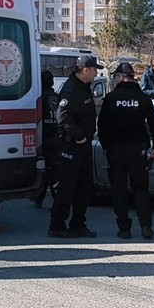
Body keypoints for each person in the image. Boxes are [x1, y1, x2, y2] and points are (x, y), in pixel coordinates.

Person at [98, 62, 154, 239]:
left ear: (120, 77)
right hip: (138, 150)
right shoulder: (143, 98)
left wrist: (105, 145)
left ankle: (124, 227)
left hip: (116, 150)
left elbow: (102, 125)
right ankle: (145, 225)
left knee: (119, 189)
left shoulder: (111, 98)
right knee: (141, 188)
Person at [49, 55, 100, 238]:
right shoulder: (71, 90)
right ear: (85, 70)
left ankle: (78, 224)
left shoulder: (83, 87)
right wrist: (78, 137)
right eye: (95, 69)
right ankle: (57, 226)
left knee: (84, 187)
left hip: (82, 146)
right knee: (67, 187)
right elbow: (63, 117)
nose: (97, 73)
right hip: (71, 146)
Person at [32, 70, 60, 208]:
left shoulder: (39, 98)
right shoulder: (57, 97)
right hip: (58, 138)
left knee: (48, 170)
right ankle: (40, 197)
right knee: (54, 169)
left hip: (45, 139)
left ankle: (55, 200)